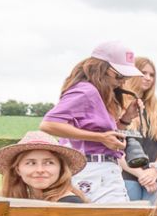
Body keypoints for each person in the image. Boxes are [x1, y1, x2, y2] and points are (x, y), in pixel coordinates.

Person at [38, 41, 141, 204]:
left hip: (102, 171)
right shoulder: (86, 91)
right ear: (101, 68)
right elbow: (49, 124)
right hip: (92, 171)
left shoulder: (100, 94)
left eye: (126, 77)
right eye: (120, 75)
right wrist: (100, 138)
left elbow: (105, 137)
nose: (123, 81)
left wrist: (126, 119)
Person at [118, 56, 157, 202]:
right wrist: (141, 174)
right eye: (143, 73)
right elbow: (115, 147)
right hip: (126, 177)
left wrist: (155, 170)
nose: (148, 78)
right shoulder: (118, 103)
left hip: (155, 179)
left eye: (151, 75)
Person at [0, 132, 87, 203]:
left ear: (61, 168)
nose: (40, 170)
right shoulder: (18, 200)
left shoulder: (69, 203)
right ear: (18, 170)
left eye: (49, 163)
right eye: (31, 163)